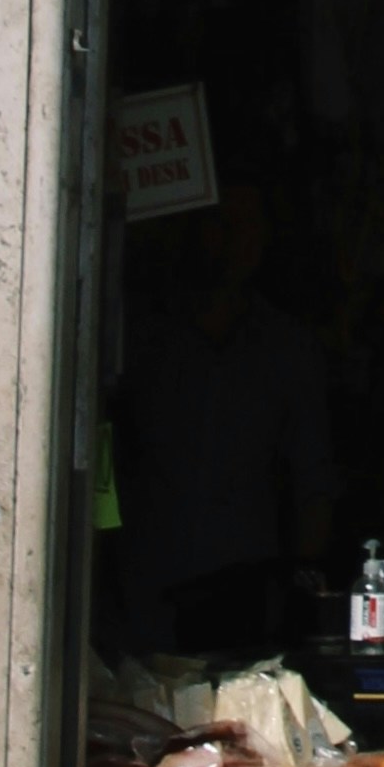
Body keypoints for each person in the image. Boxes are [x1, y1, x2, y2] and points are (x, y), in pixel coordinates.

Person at [104, 176, 336, 653]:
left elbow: (314, 479)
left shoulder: (286, 348)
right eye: (219, 223)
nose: (232, 239)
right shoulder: (140, 338)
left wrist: (302, 589)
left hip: (245, 592)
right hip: (143, 590)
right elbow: (99, 452)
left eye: (246, 226)